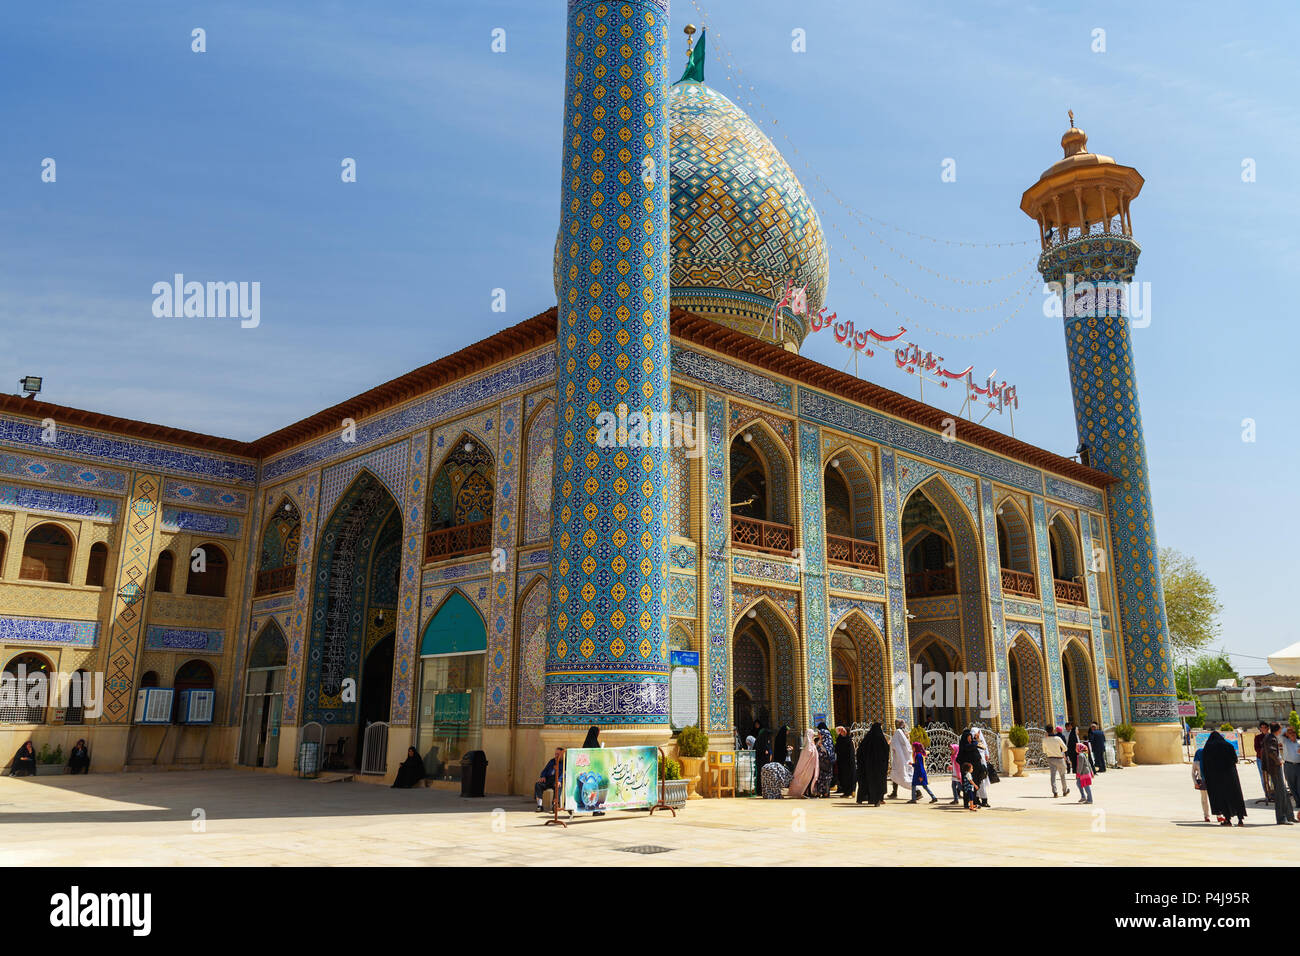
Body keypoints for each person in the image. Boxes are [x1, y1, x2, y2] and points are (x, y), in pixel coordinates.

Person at [1201, 731, 1247, 827]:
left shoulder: (1208, 748)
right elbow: (1235, 759)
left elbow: (1205, 764)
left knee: (1222, 797)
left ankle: (1227, 819)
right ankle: (1240, 820)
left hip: (1216, 777)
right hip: (1231, 775)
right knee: (1235, 795)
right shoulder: (1228, 745)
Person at [1263, 723, 1295, 825]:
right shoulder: (1271, 738)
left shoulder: (1270, 737)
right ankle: (1281, 818)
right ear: (1278, 729)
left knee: (1284, 792)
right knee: (1280, 793)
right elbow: (1271, 752)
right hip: (1275, 768)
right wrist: (1278, 761)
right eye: (1281, 728)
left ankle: (1289, 816)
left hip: (1274, 768)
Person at [856, 723, 889, 806]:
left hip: (868, 767)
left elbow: (859, 752)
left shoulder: (867, 739)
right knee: (878, 782)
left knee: (869, 782)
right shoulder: (881, 739)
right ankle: (877, 800)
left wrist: (863, 762)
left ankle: (865, 798)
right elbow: (886, 751)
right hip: (879, 767)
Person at [957, 730, 985, 807]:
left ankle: (974, 803)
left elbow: (983, 747)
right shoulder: (965, 746)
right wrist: (975, 742)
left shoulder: (973, 744)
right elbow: (969, 748)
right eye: (968, 738)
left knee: (974, 788)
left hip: (975, 770)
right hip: (968, 772)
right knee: (967, 788)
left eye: (970, 738)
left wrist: (977, 739)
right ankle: (967, 803)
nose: (970, 739)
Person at [788, 728, 819, 798]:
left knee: (808, 779)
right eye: (812, 735)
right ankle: (805, 792)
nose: (813, 736)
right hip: (808, 766)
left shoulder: (809, 744)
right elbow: (809, 754)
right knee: (807, 778)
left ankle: (808, 792)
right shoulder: (808, 745)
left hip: (810, 766)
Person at [1192, 739, 1218, 823]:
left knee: (1215, 798)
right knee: (1204, 799)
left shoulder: (1212, 759)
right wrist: (1195, 783)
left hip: (1212, 780)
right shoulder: (1197, 761)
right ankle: (1206, 816)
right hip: (1201, 781)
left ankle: (1219, 815)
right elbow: (1193, 773)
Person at [1042, 724, 1070, 798]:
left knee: (1053, 776)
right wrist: (1061, 752)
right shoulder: (1058, 738)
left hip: (1050, 758)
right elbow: (1065, 748)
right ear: (1053, 730)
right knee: (1062, 775)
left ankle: (1055, 792)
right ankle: (1065, 791)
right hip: (1059, 758)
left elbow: (1044, 751)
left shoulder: (1044, 739)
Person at [888, 719, 913, 799]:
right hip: (905, 757)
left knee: (903, 776)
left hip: (900, 758)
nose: (895, 725)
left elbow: (894, 744)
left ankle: (917, 791)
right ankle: (894, 792)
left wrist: (890, 743)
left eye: (896, 723)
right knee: (896, 774)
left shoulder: (898, 732)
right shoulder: (905, 732)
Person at [535, 747, 562, 812]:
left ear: (562, 755)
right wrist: (543, 776)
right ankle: (539, 805)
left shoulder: (564, 763)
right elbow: (545, 770)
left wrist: (559, 780)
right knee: (538, 784)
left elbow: (564, 773)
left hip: (556, 780)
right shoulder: (552, 761)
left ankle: (555, 805)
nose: (556, 756)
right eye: (555, 754)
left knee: (557, 786)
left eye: (558, 754)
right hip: (548, 779)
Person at [971, 727, 992, 807]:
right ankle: (980, 800)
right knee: (978, 782)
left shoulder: (980, 743)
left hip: (982, 766)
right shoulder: (972, 744)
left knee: (981, 782)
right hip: (976, 766)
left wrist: (986, 755)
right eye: (976, 733)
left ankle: (982, 800)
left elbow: (984, 751)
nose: (978, 735)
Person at [814, 722, 836, 798]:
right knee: (820, 778)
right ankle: (820, 792)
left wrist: (822, 746)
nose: (818, 735)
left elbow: (828, 752)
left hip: (826, 764)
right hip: (820, 764)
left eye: (820, 734)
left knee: (826, 779)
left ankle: (826, 793)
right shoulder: (820, 741)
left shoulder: (828, 742)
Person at [834, 726, 857, 797]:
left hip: (848, 763)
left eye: (844, 731)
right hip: (841, 762)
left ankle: (850, 792)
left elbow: (851, 753)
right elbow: (836, 749)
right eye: (842, 731)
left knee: (849, 777)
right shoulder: (839, 739)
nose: (842, 732)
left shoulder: (849, 740)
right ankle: (845, 792)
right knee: (843, 777)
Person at [1253, 721, 1273, 803]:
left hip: (1271, 760)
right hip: (1261, 759)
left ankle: (1273, 793)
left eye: (1265, 727)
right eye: (1262, 727)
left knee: (1272, 777)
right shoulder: (1258, 737)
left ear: (1268, 728)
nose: (1263, 729)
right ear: (1260, 729)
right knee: (1263, 777)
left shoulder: (1272, 737)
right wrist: (1264, 751)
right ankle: (1267, 794)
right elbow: (1256, 748)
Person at [1282, 725, 1300, 814]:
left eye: (1293, 733)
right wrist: (1287, 729)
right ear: (1288, 735)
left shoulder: (1299, 742)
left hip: (1298, 766)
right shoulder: (1285, 742)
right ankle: (1297, 802)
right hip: (1288, 765)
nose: (1292, 735)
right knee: (1292, 785)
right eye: (1290, 734)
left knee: (1299, 785)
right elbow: (1279, 735)